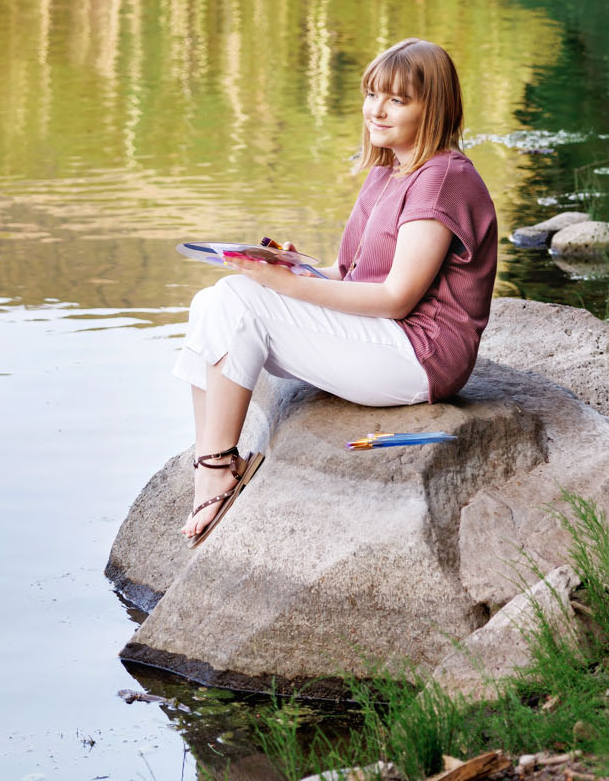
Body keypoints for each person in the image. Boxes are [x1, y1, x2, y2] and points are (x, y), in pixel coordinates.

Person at [174, 37, 499, 545]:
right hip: (380, 336)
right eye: (372, 94)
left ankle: (216, 468)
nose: (377, 110)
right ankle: (212, 458)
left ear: (432, 106)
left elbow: (396, 298)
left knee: (240, 302)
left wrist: (282, 288)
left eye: (397, 99)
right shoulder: (389, 169)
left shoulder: (442, 181)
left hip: (421, 356)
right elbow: (351, 275)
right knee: (213, 300)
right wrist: (294, 269)